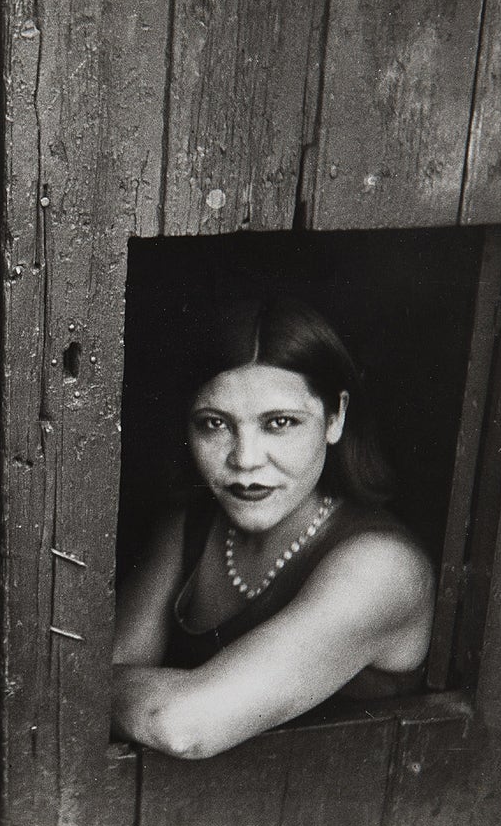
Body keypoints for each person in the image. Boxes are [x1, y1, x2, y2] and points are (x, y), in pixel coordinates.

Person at [112, 296, 434, 759]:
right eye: (214, 424)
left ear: (336, 417)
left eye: (280, 423)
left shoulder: (383, 568)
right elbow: (91, 677)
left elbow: (183, 725)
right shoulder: (189, 527)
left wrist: (116, 690)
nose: (245, 459)